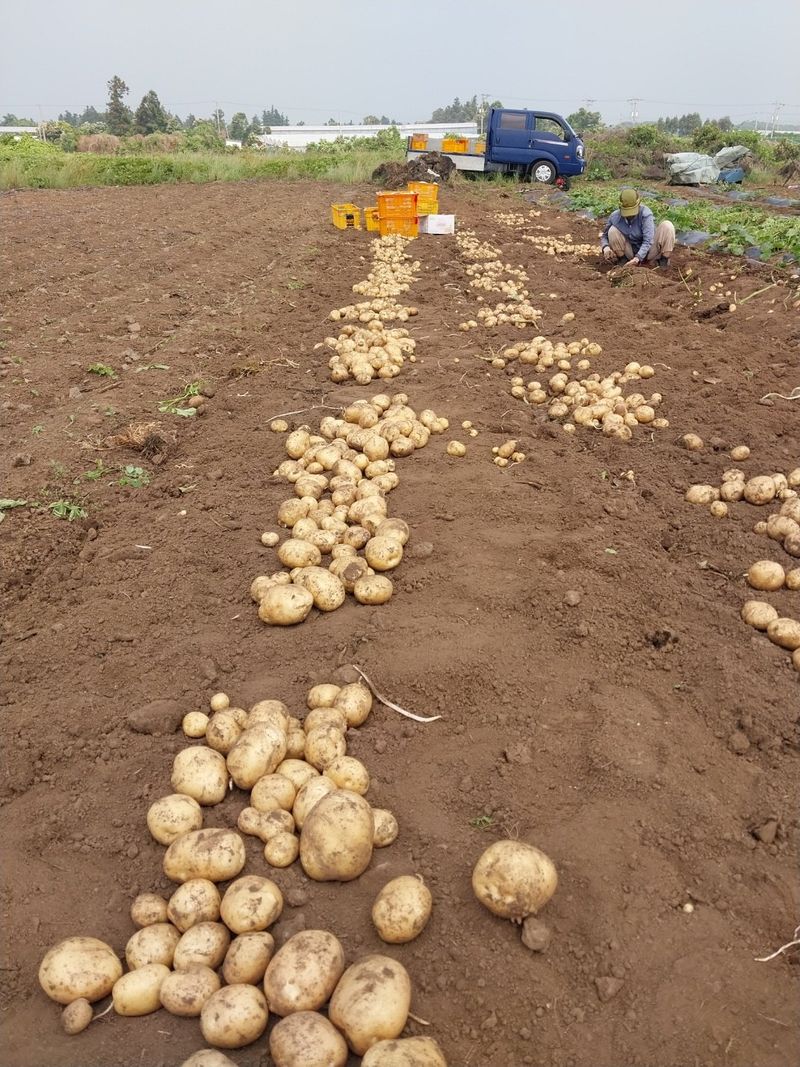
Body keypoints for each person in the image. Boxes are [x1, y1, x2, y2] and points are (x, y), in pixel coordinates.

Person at [600, 189, 676, 268]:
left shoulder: (645, 215)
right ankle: (623, 260)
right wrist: (606, 247)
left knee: (667, 226)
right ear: (621, 206)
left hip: (650, 251)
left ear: (638, 204)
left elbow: (648, 240)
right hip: (630, 252)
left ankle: (663, 261)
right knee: (612, 230)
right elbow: (604, 236)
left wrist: (638, 258)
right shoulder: (614, 217)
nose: (629, 215)